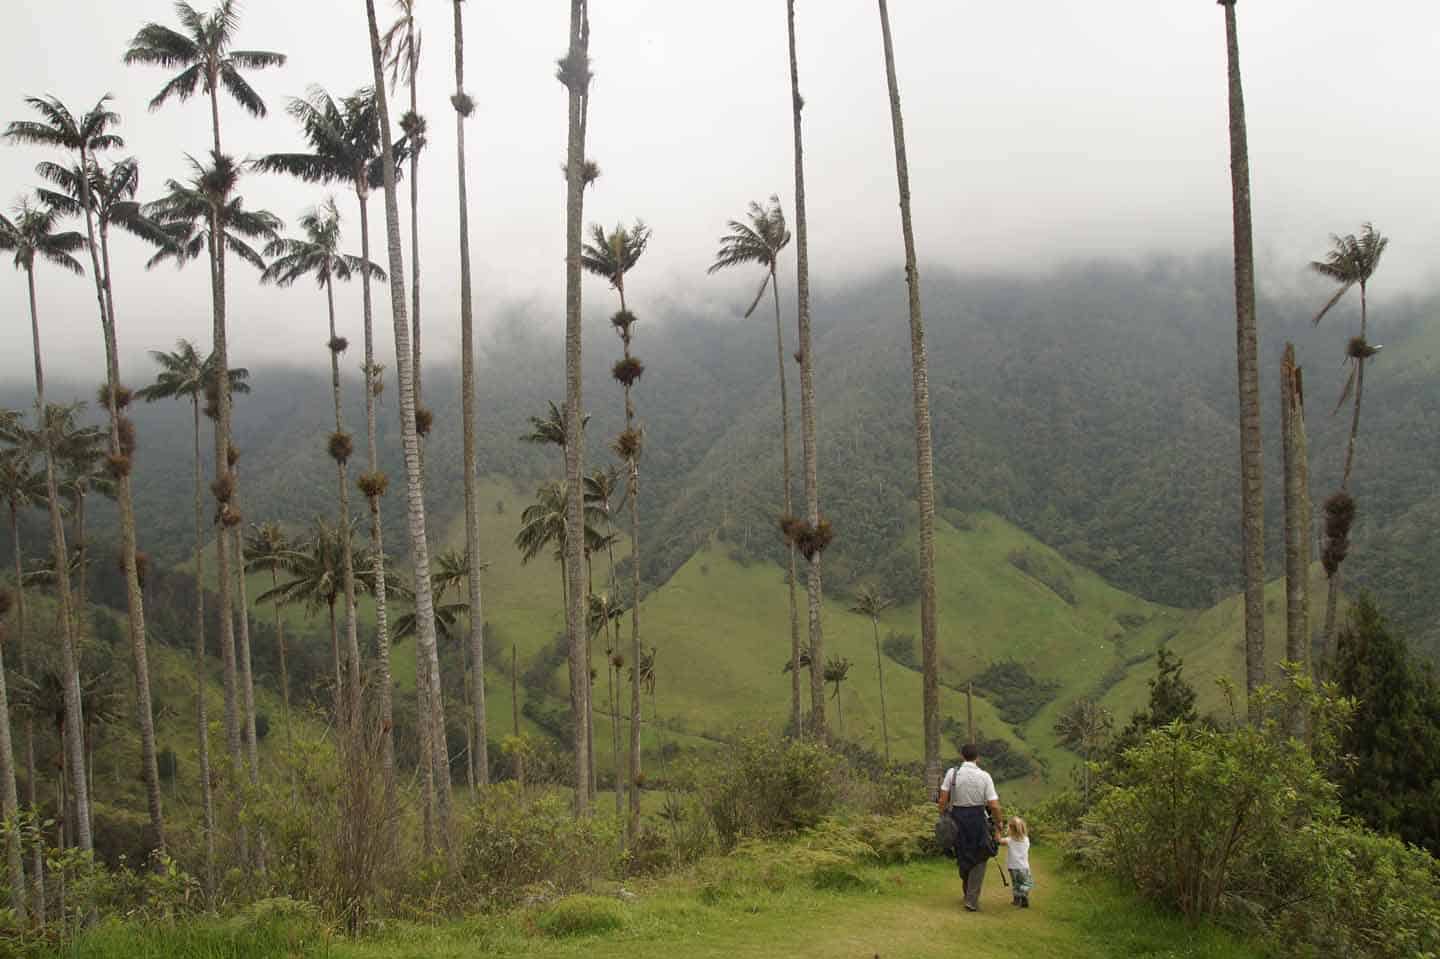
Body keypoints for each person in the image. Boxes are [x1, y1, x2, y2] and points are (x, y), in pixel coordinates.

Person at [937, 743, 1002, 912]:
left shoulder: (953, 773)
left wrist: (943, 816)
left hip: (957, 818)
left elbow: (943, 800)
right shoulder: (985, 776)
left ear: (962, 756)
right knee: (980, 855)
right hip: (978, 819)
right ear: (977, 758)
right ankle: (971, 899)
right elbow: (994, 805)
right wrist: (999, 823)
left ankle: (968, 892)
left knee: (963, 853)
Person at [998, 816, 1034, 908]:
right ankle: (1024, 896)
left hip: (1013, 867)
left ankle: (1016, 900)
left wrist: (997, 831)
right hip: (1024, 867)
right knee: (1026, 883)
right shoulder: (1026, 839)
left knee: (1016, 884)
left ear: (1010, 829)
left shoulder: (1009, 840)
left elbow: (999, 841)